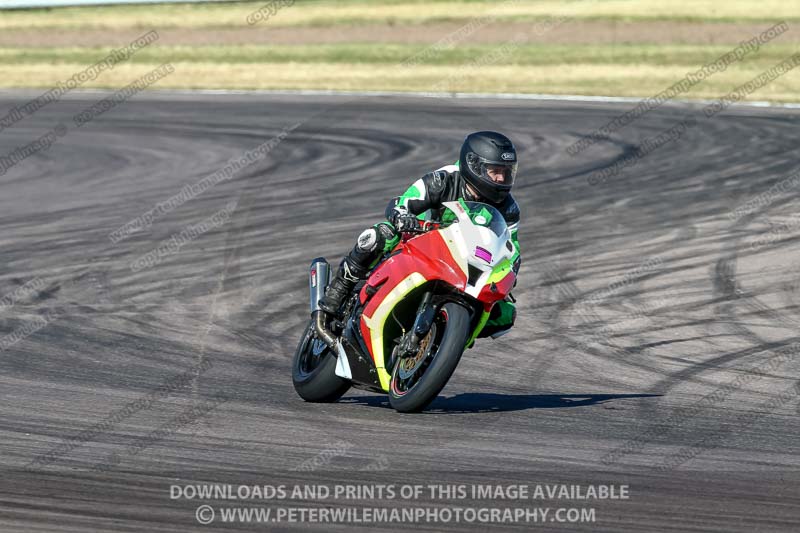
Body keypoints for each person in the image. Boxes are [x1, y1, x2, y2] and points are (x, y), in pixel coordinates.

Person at [319, 130, 521, 338]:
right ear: (474, 165)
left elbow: (511, 248)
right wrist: (402, 217)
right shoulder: (444, 179)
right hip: (420, 243)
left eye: (506, 172)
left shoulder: (509, 208)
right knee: (379, 235)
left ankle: (446, 335)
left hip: (464, 261)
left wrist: (509, 272)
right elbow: (404, 202)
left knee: (505, 313)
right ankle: (339, 290)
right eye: (494, 171)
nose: (501, 178)